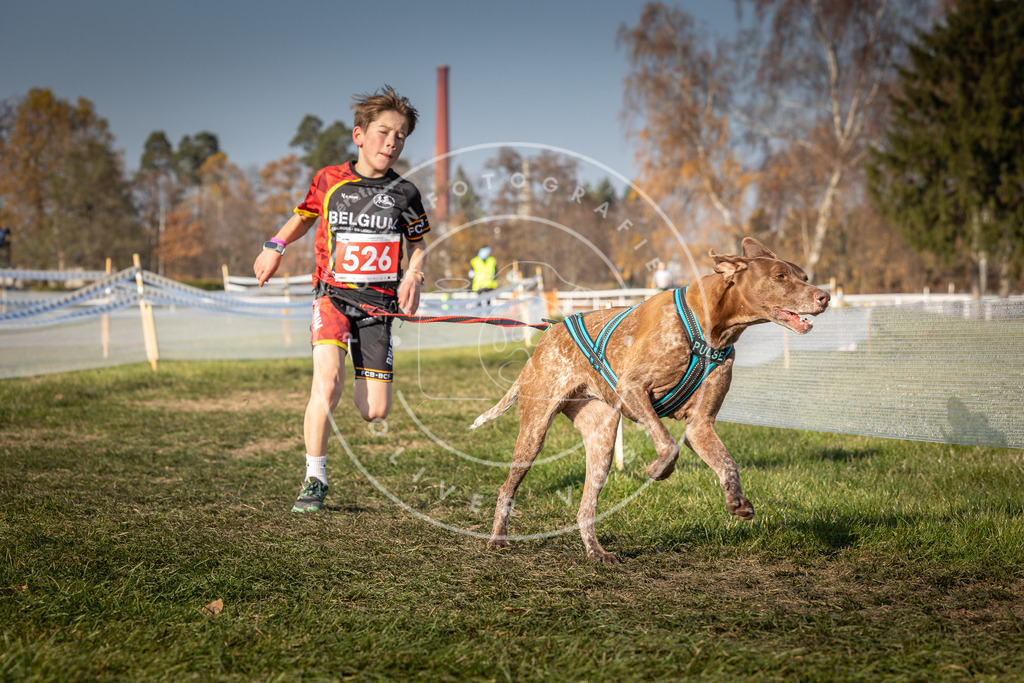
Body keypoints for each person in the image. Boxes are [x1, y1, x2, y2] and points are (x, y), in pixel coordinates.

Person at [253, 86, 428, 513]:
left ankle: (361, 367)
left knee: (374, 411)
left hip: (377, 308)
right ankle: (314, 477)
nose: (392, 142)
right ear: (359, 135)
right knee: (326, 382)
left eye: (401, 135)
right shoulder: (329, 180)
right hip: (331, 297)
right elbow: (302, 217)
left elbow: (419, 241)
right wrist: (274, 246)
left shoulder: (405, 193)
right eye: (384, 132)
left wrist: (415, 274)